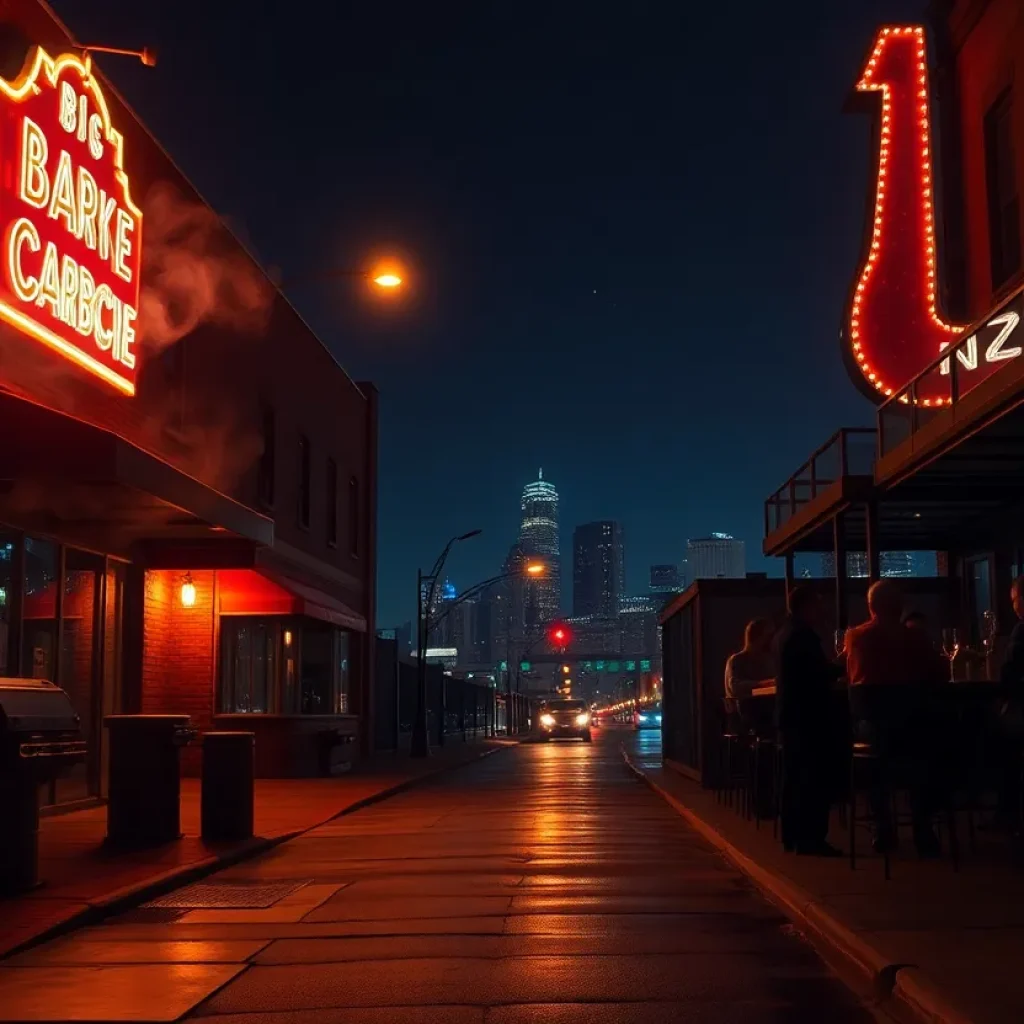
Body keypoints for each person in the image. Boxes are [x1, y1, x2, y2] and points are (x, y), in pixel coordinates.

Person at [845, 580, 948, 856]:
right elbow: (940, 674)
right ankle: (923, 826)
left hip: (874, 730)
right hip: (913, 730)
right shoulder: (915, 637)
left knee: (876, 760)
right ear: (901, 607)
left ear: (870, 607)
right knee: (933, 750)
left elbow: (849, 674)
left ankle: (883, 826)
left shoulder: (855, 637)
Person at [775, 586, 844, 856]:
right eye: (817, 605)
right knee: (813, 779)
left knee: (793, 779)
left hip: (789, 715)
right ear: (805, 607)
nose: (821, 611)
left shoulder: (783, 635)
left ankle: (791, 836)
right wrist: (843, 665)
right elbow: (816, 674)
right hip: (808, 716)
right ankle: (812, 839)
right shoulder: (803, 636)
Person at [725, 619, 775, 699]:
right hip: (747, 708)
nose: (771, 641)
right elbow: (735, 687)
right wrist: (762, 684)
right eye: (768, 636)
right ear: (756, 638)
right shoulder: (737, 660)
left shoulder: (769, 660)